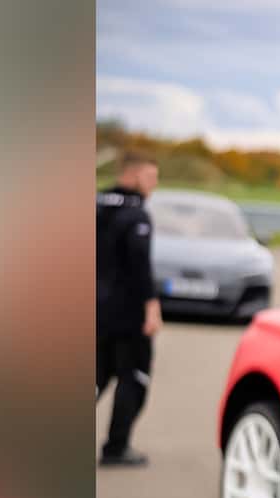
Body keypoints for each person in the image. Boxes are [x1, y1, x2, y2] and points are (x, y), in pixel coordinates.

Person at [96, 151, 162, 466]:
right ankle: (116, 447)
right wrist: (151, 307)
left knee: (97, 375)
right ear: (133, 175)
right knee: (133, 377)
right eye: (151, 178)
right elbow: (140, 266)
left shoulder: (97, 203)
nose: (154, 185)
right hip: (125, 311)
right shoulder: (137, 215)